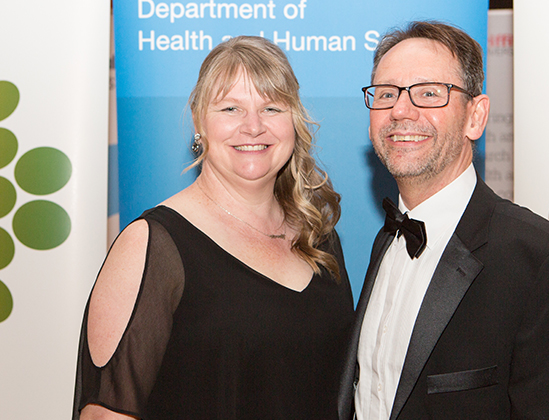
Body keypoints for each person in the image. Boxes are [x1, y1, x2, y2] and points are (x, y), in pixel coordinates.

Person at [73, 36, 354, 420]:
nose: (253, 126)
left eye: (271, 107)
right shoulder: (152, 244)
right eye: (231, 108)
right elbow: (105, 415)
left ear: (294, 120)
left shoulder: (320, 238)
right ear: (198, 121)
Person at [338, 21, 549, 420]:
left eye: (429, 93)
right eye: (387, 93)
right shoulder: (386, 241)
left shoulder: (543, 262)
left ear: (475, 117)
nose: (401, 110)